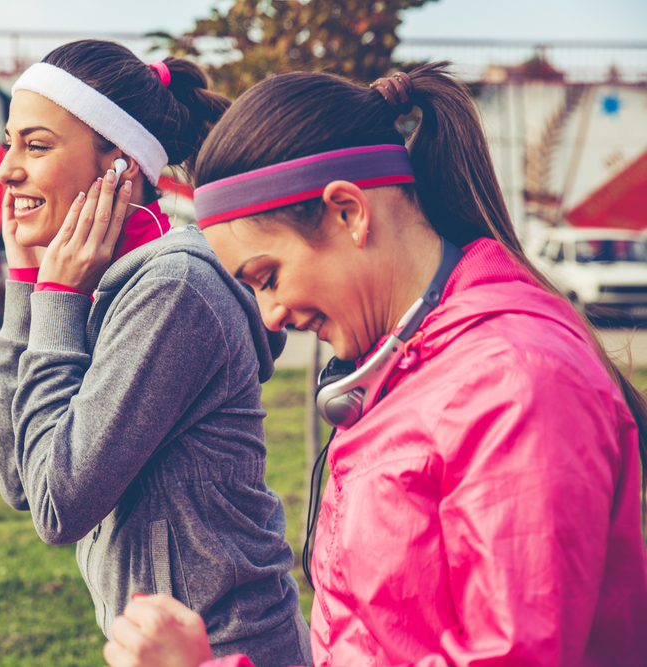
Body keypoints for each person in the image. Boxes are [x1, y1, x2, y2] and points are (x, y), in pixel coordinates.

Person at [102, 63, 647, 667]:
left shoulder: (514, 384)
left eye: (268, 277)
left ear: (348, 212)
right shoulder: (407, 365)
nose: (271, 315)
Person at [0, 39, 313, 667]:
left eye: (36, 145)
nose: (6, 170)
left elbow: (57, 506)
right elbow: (18, 479)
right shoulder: (107, 285)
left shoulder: (173, 290)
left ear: (121, 165)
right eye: (9, 143)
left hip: (229, 649)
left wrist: (56, 298)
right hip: (161, 649)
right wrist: (27, 285)